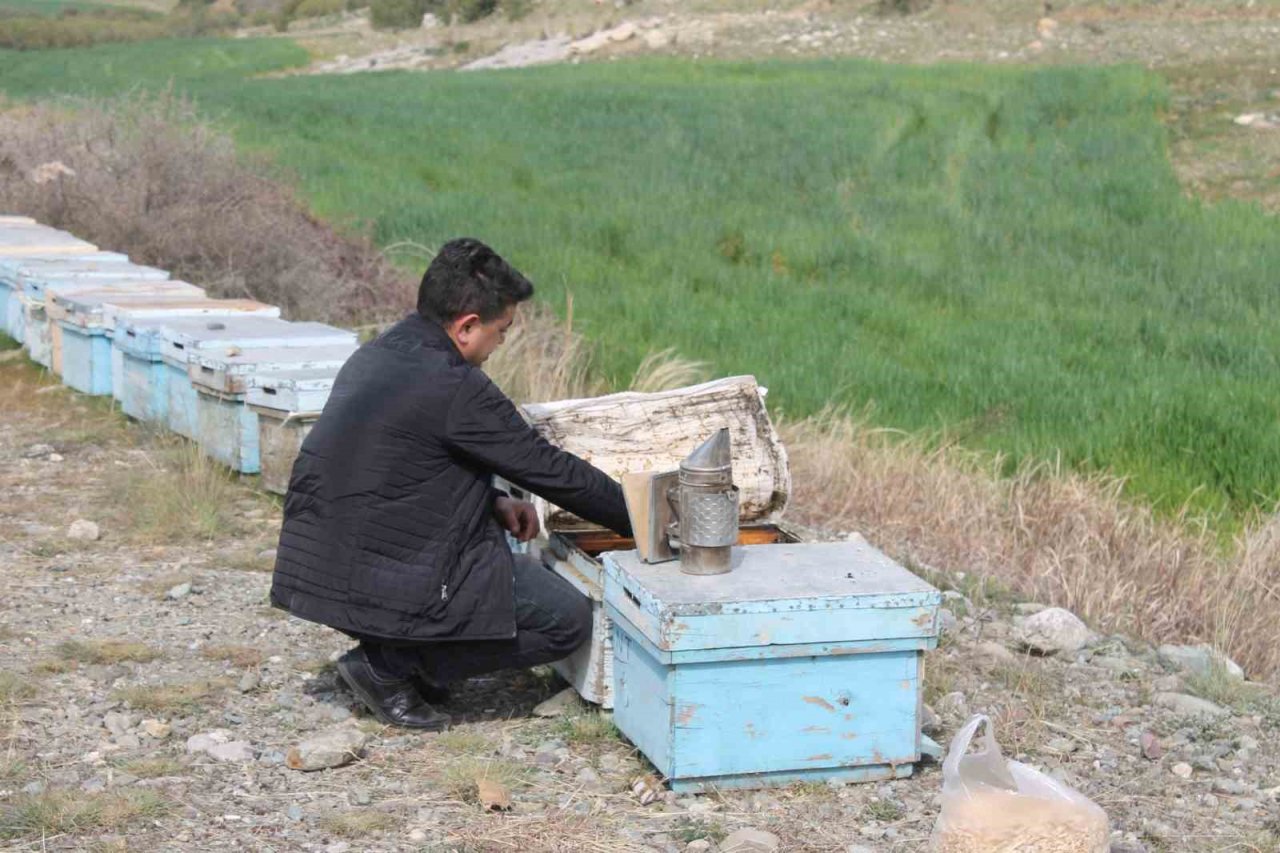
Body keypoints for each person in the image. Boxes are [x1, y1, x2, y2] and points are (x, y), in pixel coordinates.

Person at [270, 238, 632, 730]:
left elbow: (401, 467)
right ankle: (390, 666)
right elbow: (552, 471)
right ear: (466, 327)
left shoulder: (380, 352)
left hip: (323, 569)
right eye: (500, 333)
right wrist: (640, 519)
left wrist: (493, 499)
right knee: (565, 620)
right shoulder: (455, 386)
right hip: (383, 572)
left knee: (491, 551)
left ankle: (398, 648)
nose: (499, 346)